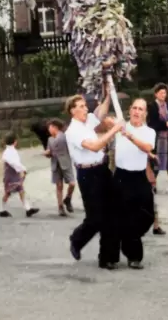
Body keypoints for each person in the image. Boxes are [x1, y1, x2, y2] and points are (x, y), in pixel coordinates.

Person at [64, 93, 123, 268]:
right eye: (81, 106)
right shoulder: (72, 131)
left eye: (85, 105)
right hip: (87, 175)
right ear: (72, 111)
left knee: (112, 213)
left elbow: (100, 113)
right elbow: (94, 145)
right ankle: (77, 238)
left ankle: (108, 257)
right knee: (96, 217)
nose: (85, 108)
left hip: (102, 169)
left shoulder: (88, 120)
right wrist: (114, 129)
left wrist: (108, 94)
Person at [107, 99, 157, 270]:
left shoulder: (149, 131)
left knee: (147, 215)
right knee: (119, 216)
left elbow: (147, 147)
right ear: (130, 110)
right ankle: (130, 256)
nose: (137, 111)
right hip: (121, 176)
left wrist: (129, 135)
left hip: (139, 177)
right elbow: (101, 121)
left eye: (140, 109)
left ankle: (129, 241)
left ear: (145, 113)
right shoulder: (119, 127)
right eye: (134, 108)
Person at [0, 133, 39, 218]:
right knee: (8, 192)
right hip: (11, 175)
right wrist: (23, 169)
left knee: (21, 191)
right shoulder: (9, 152)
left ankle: (28, 209)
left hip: (13, 175)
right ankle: (2, 209)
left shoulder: (9, 151)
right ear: (15, 142)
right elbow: (14, 163)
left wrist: (21, 169)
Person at [44, 119, 75, 216]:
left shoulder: (64, 136)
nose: (48, 130)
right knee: (59, 186)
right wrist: (47, 153)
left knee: (72, 183)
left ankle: (68, 198)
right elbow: (49, 151)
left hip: (66, 163)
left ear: (54, 127)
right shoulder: (50, 139)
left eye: (49, 127)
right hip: (55, 164)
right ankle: (60, 206)